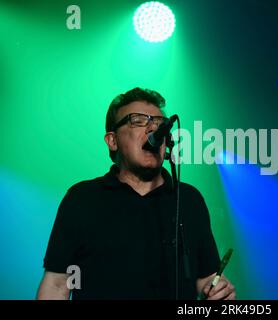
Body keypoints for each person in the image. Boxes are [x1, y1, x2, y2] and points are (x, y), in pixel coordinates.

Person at [37, 87, 236, 300]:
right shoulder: (82, 198)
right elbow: (57, 284)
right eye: (138, 121)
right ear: (112, 140)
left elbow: (205, 279)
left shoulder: (188, 199)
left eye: (160, 123)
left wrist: (218, 291)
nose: (153, 129)